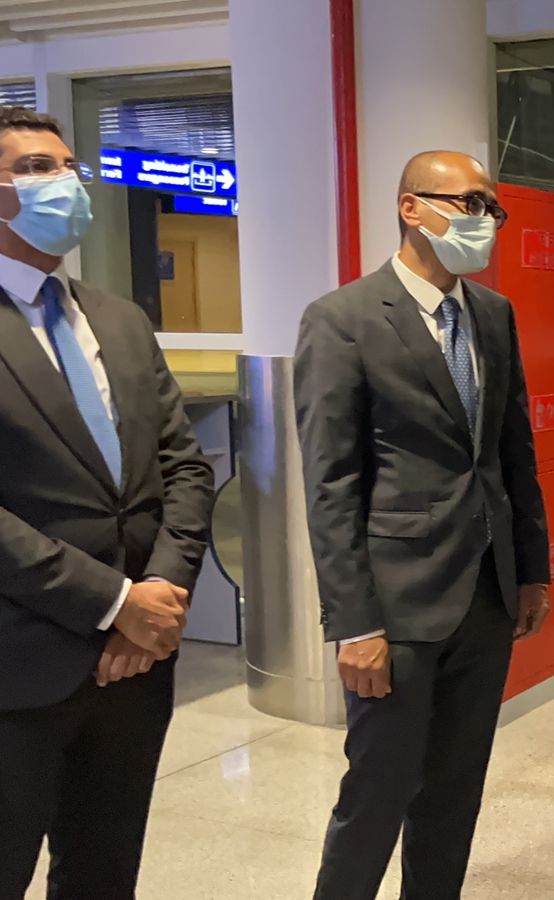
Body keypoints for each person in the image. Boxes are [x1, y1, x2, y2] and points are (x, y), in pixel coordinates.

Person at [294, 150, 552, 900]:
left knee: (454, 790)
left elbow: (513, 452)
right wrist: (354, 623)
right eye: (468, 203)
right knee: (379, 789)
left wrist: (531, 570)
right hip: (396, 605)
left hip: (487, 595)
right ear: (411, 208)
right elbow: (331, 484)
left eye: (491, 207)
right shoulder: (342, 319)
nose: (485, 220)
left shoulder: (493, 314)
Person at [0, 106, 213, 899]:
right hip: (18, 664)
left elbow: (184, 467)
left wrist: (159, 593)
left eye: (67, 166)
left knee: (103, 870)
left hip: (137, 664)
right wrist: (113, 602)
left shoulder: (119, 320)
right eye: (35, 168)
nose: (64, 183)